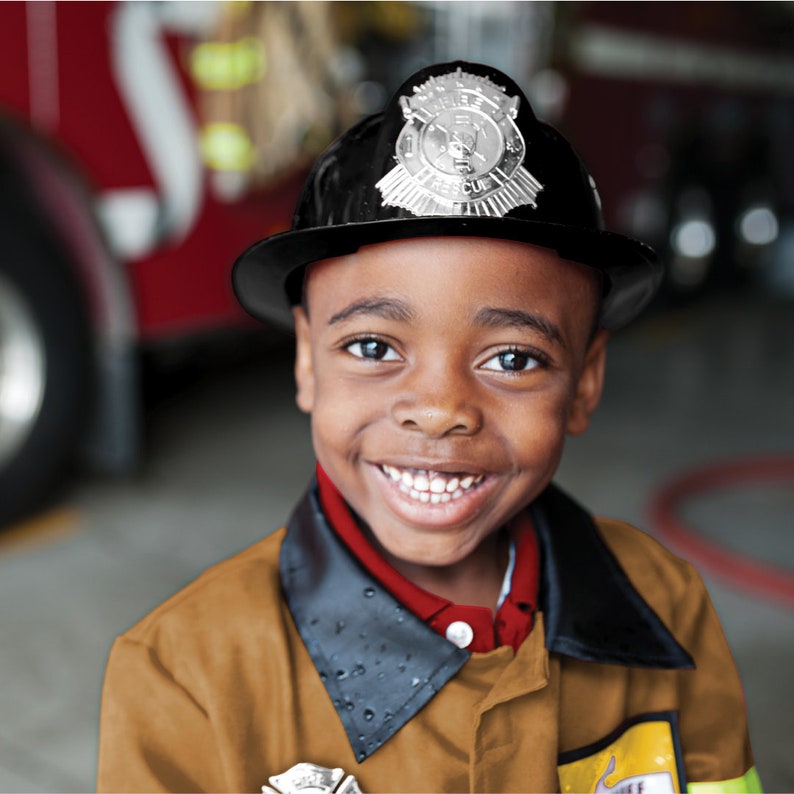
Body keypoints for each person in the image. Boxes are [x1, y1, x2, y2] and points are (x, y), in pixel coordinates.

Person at [97, 60, 759, 794]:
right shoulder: (184, 674)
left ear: (585, 381)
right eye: (373, 348)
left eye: (513, 358)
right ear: (307, 363)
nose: (441, 408)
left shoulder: (663, 604)